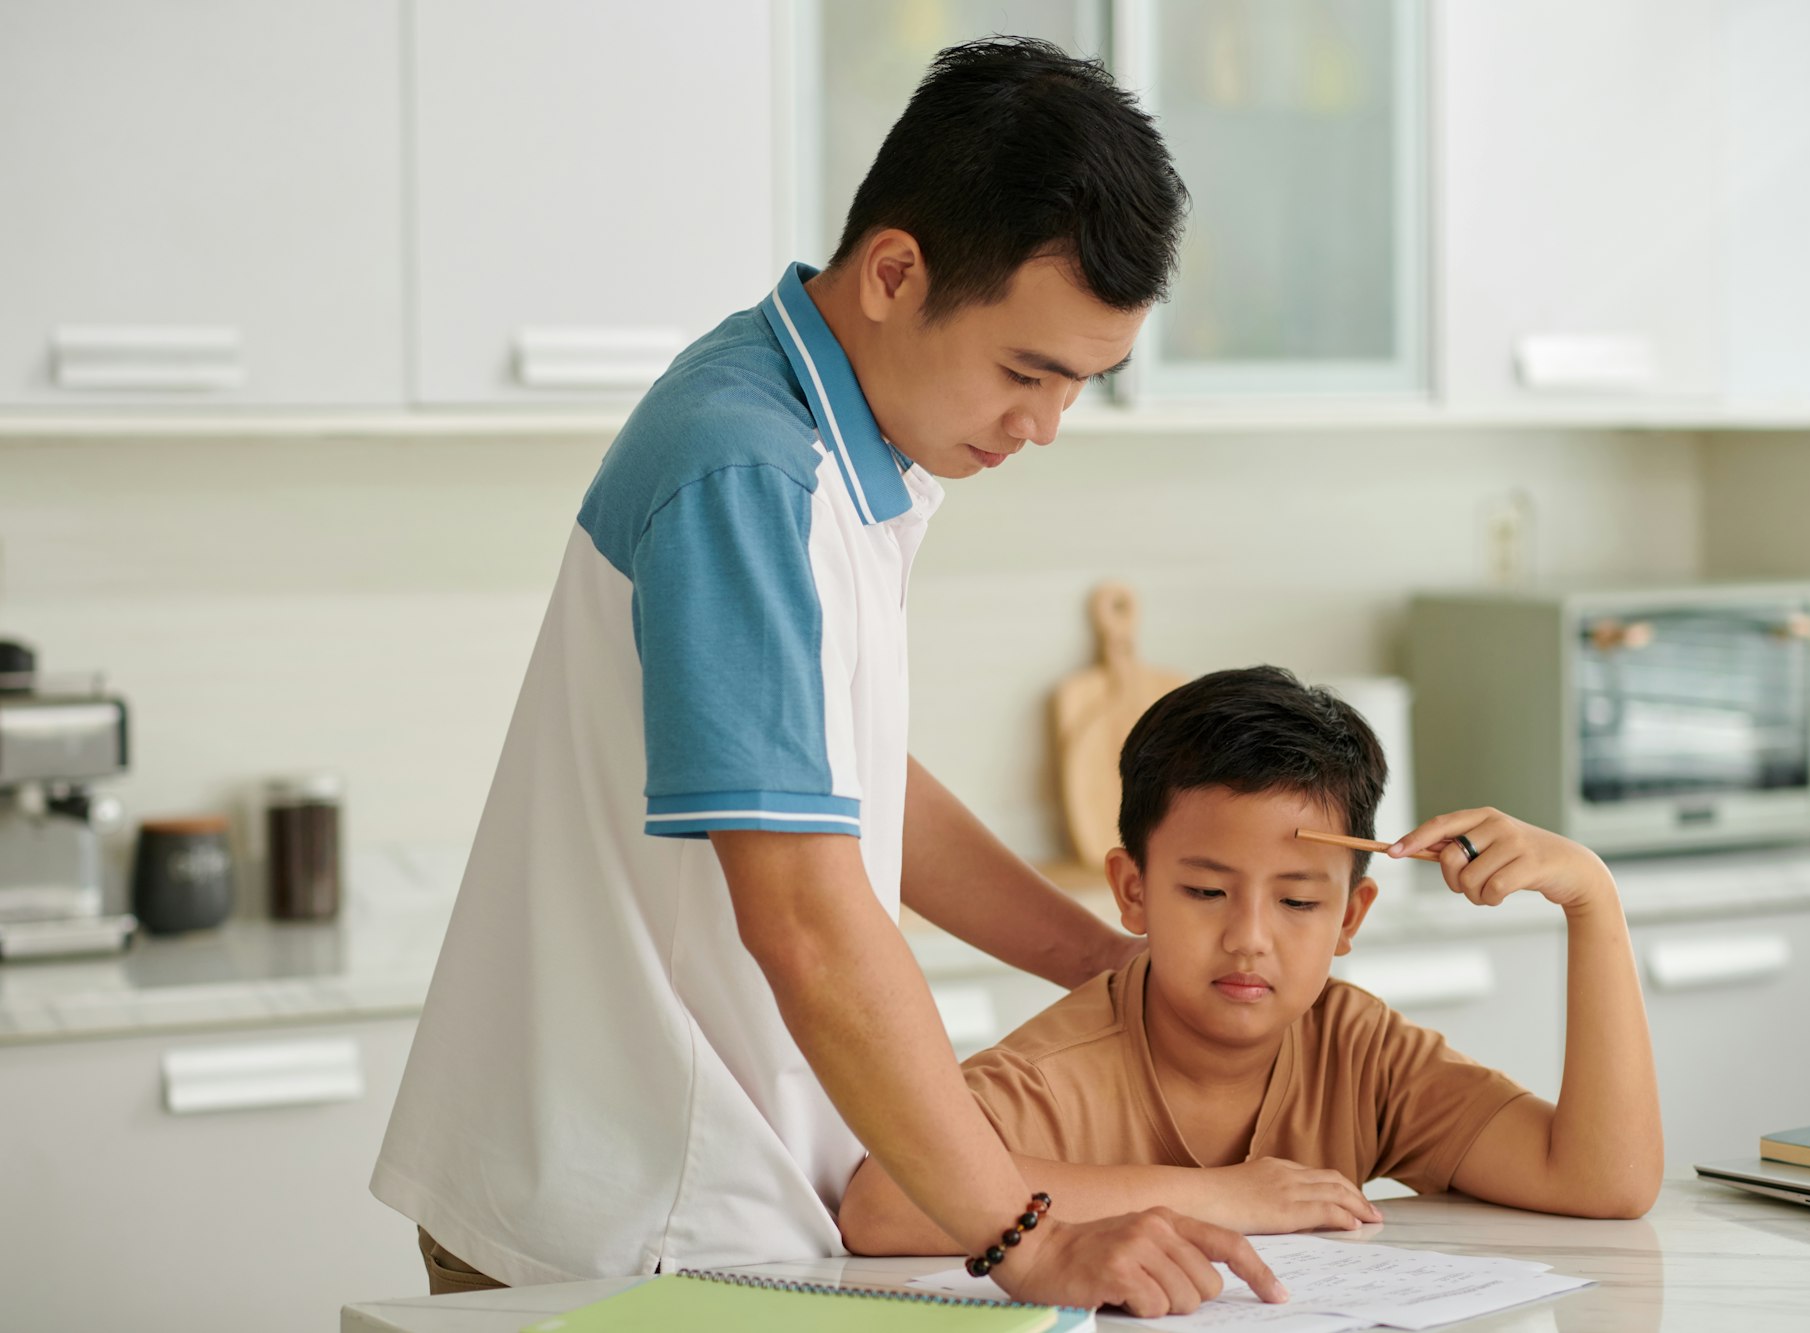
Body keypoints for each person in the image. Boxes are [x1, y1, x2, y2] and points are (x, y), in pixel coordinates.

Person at [370, 38, 1290, 1319]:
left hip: (675, 1192)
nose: (1042, 426)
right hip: (632, 1218)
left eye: (1078, 385)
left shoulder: (823, 430)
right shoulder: (750, 475)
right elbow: (803, 918)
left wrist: (1097, 960)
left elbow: (845, 778)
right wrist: (1022, 1236)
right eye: (1025, 372)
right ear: (894, 272)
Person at [839, 666, 1665, 1253]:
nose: (1249, 937)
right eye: (1205, 892)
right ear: (1133, 891)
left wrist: (1591, 898)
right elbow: (880, 1205)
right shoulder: (1061, 1071)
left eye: (1299, 902)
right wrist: (1224, 1196)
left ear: (1351, 915)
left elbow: (1605, 1182)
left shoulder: (1362, 1052)